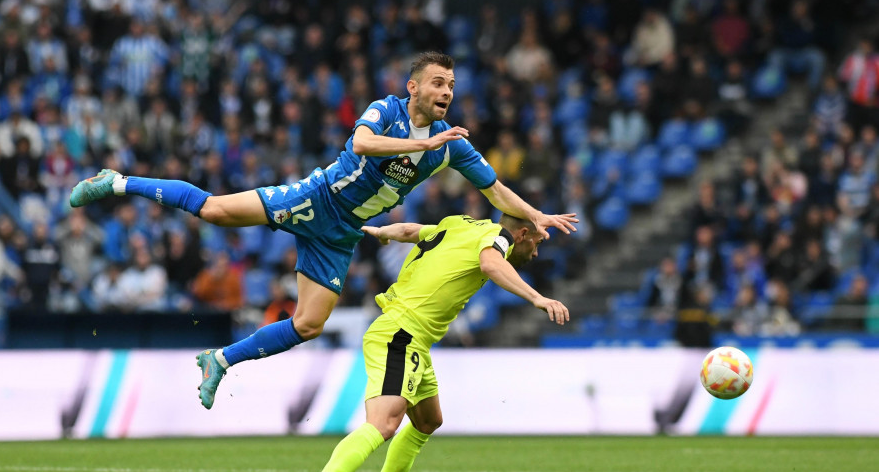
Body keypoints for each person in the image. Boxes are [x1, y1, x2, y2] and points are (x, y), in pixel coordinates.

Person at [67, 51, 578, 409]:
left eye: (452, 86)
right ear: (414, 87)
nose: (447, 92)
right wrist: (421, 147)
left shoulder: (452, 144)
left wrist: (535, 215)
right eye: (438, 83)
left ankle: (219, 359)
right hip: (319, 200)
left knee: (309, 324)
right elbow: (360, 144)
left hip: (343, 233)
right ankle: (118, 181)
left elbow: (495, 192)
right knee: (216, 212)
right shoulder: (390, 112)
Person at [288, 212, 569, 472]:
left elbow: (410, 229)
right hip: (401, 335)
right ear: (522, 233)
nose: (538, 250)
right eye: (538, 241)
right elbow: (490, 264)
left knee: (427, 420)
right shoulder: (498, 239)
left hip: (412, 339)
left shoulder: (461, 223)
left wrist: (384, 231)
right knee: (383, 423)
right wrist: (537, 297)